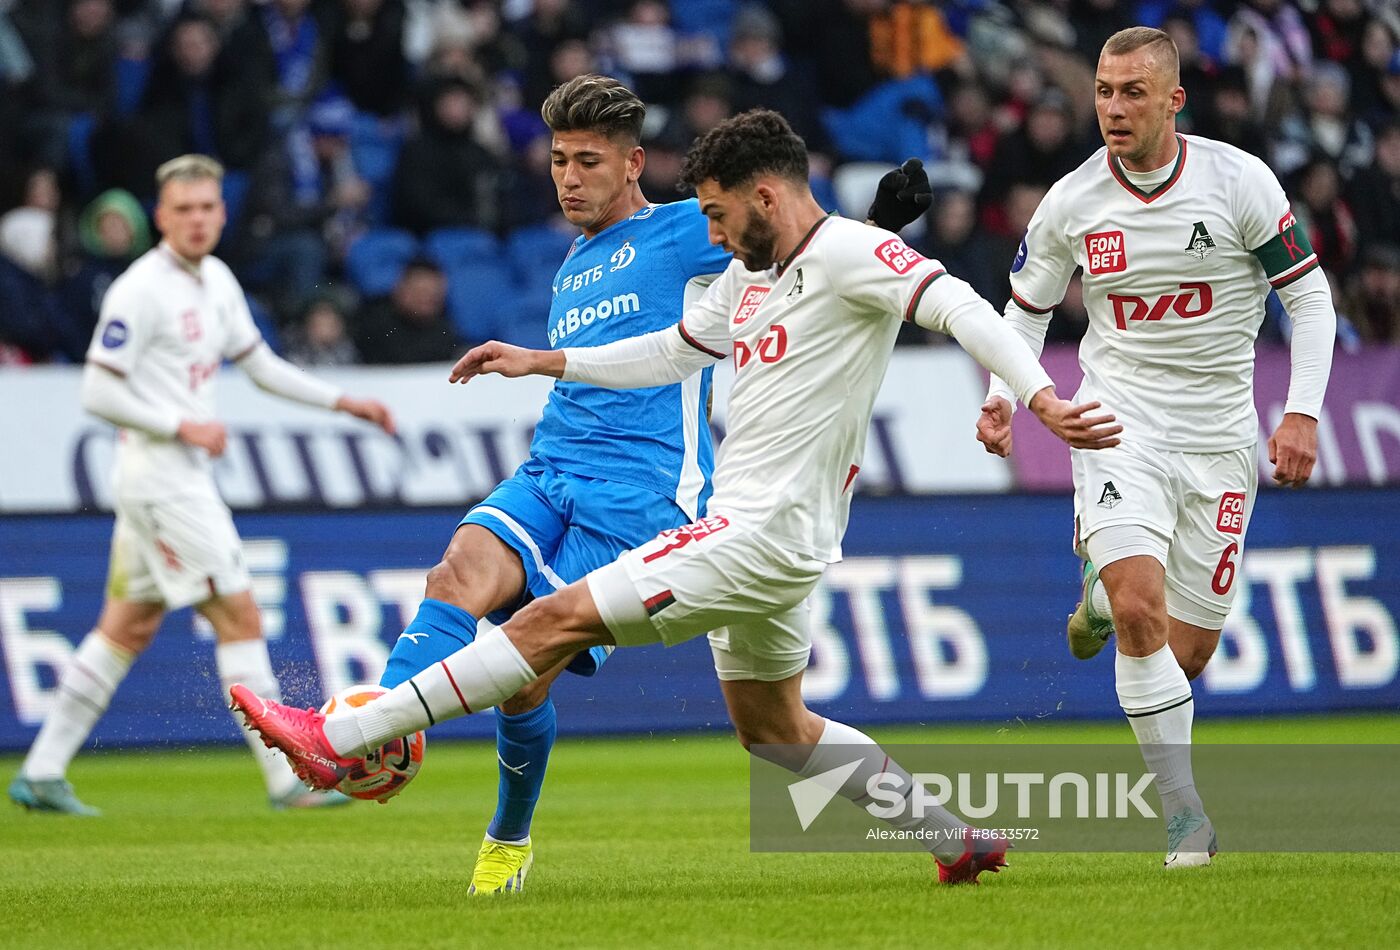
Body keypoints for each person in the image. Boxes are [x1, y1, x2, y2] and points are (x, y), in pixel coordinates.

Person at [231, 107, 1118, 887]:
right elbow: (668, 351)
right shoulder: (749, 279)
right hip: (773, 536)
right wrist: (548, 361)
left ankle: (342, 737)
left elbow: (957, 301)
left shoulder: (852, 252)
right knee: (775, 730)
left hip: (757, 533)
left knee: (545, 624)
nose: (714, 234)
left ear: (764, 196)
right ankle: (952, 838)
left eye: (720, 214)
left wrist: (1035, 397)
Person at [301, 75, 926, 897]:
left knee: (528, 667)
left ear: (633, 164)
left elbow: (790, 238)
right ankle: (377, 728)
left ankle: (504, 835)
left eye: (588, 161)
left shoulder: (682, 232)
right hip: (552, 466)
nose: (568, 177)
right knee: (455, 572)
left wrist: (876, 225)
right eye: (559, 159)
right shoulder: (572, 260)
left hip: (641, 491)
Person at [974, 27, 1336, 869]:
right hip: (1116, 422)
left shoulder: (1238, 181)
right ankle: (1185, 820)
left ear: (1174, 99)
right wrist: (1001, 396)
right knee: (1142, 610)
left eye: (1133, 92)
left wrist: (1303, 412)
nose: (1113, 108)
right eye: (1103, 91)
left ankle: (1101, 602)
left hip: (1217, 437)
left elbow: (1310, 301)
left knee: (1189, 648)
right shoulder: (1072, 200)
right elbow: (1025, 308)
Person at [8, 154, 395, 816]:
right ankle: (284, 780)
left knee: (125, 627)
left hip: (169, 478)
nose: (196, 220)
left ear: (221, 212)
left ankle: (41, 771)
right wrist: (179, 424)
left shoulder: (215, 279)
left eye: (206, 208)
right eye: (182, 209)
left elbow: (262, 365)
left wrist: (342, 402)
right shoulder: (140, 289)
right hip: (162, 478)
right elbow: (98, 388)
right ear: (161, 217)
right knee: (239, 616)